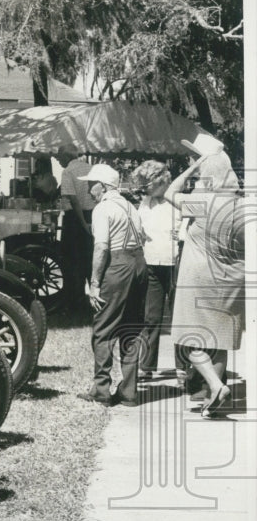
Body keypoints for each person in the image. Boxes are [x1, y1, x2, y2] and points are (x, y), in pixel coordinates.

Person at [164, 135, 244, 418]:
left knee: (189, 339)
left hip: (198, 278)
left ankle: (214, 384)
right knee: (220, 339)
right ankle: (215, 395)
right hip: (232, 280)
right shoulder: (242, 207)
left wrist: (190, 169)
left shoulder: (203, 202)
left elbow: (169, 193)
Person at [75, 163, 148, 407]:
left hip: (118, 264)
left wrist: (95, 283)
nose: (88, 187)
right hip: (139, 263)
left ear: (104, 186)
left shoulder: (103, 208)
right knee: (132, 328)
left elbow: (102, 246)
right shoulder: (130, 206)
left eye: (91, 183)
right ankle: (129, 391)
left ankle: (101, 390)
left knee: (103, 328)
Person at [129, 160, 178, 379]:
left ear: (160, 180)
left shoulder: (177, 199)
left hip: (175, 263)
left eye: (146, 184)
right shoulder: (146, 202)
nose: (144, 189)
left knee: (179, 316)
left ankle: (184, 368)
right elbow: (140, 227)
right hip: (152, 262)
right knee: (151, 317)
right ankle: (148, 366)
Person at [56, 149, 95, 309]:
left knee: (72, 259)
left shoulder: (67, 171)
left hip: (75, 218)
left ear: (66, 157)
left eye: (59, 158)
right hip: (92, 214)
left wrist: (82, 223)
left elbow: (73, 199)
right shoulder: (89, 167)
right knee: (91, 257)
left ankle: (75, 298)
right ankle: (92, 295)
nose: (58, 162)